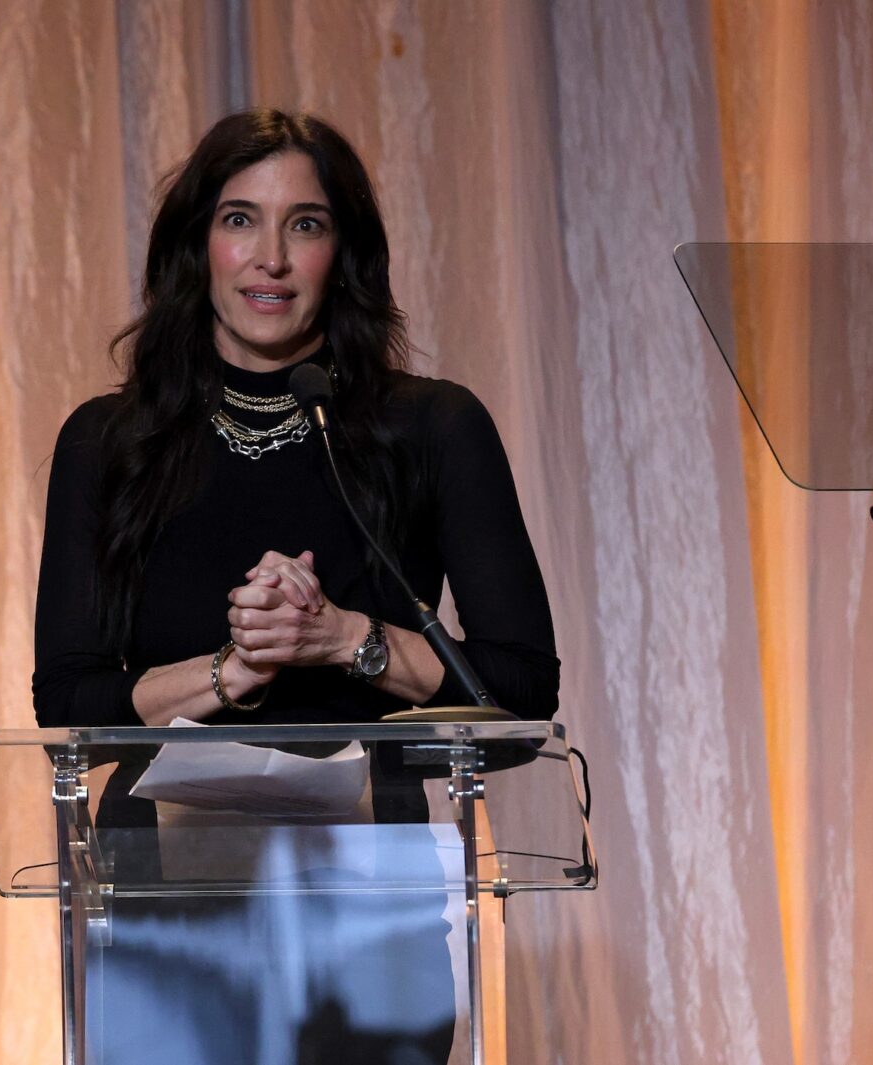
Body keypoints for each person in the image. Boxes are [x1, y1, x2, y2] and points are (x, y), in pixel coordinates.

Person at [32, 108, 558, 1065]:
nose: (269, 257)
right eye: (240, 219)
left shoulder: (431, 431)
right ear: (197, 248)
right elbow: (68, 700)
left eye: (304, 225)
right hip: (164, 906)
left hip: (370, 912)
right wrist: (230, 673)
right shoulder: (110, 443)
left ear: (342, 255)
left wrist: (346, 639)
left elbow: (520, 696)